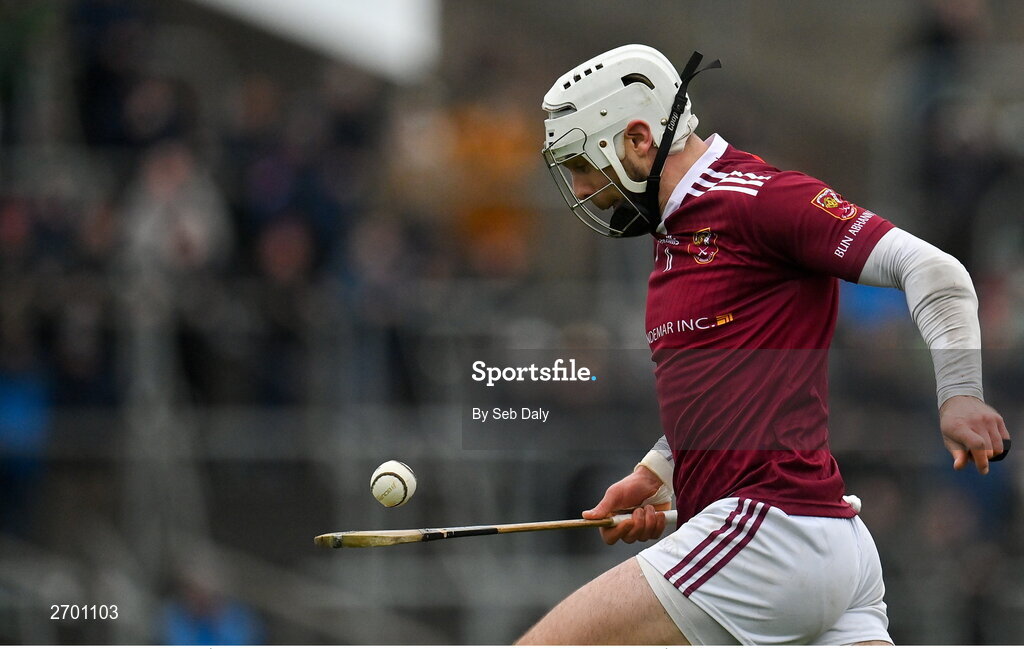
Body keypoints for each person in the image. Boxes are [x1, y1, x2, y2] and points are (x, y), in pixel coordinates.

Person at [517, 44, 1011, 646]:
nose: (581, 188)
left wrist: (959, 392)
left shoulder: (761, 200)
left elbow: (936, 271)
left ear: (639, 139)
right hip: (822, 541)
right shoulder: (675, 230)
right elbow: (730, 388)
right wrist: (661, 471)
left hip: (771, 536)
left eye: (580, 164)